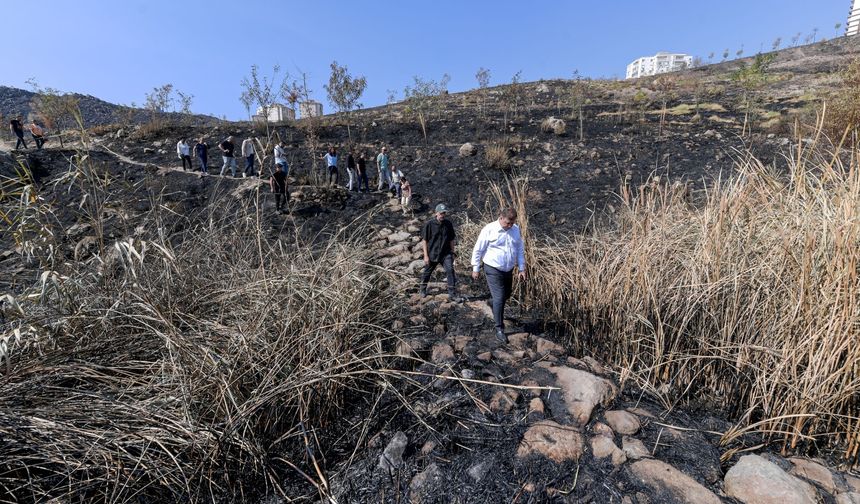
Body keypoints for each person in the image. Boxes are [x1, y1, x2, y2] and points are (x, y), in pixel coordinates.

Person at [470, 208, 527, 343]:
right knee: (500, 297)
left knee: (506, 295)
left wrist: (522, 268)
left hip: (508, 269)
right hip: (492, 267)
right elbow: (478, 249)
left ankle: (492, 303)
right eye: (508, 223)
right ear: (501, 217)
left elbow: (519, 249)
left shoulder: (515, 230)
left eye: (512, 223)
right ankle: (499, 329)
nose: (510, 226)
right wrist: (476, 268)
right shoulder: (489, 229)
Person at [420, 203, 462, 302]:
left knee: (450, 271)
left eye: (444, 213)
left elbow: (451, 239)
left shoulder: (448, 224)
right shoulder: (429, 224)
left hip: (445, 254)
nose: (443, 215)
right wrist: (426, 256)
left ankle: (452, 294)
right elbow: (424, 240)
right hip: (432, 253)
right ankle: (422, 289)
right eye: (441, 213)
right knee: (427, 272)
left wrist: (452, 253)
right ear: (436, 213)